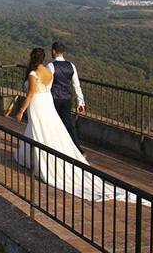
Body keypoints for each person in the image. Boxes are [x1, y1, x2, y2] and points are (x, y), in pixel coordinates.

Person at [14, 47, 103, 201]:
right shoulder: (49, 71)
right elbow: (70, 85)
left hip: (38, 103)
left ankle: (42, 160)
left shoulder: (34, 74)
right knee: (49, 128)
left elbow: (31, 93)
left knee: (40, 129)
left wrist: (21, 110)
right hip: (48, 101)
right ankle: (31, 156)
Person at [47, 42, 85, 153]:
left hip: (54, 98)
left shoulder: (51, 66)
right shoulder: (71, 65)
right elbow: (76, 85)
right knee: (68, 124)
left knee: (52, 123)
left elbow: (47, 84)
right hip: (67, 98)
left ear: (54, 51)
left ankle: (53, 147)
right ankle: (77, 149)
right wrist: (80, 102)